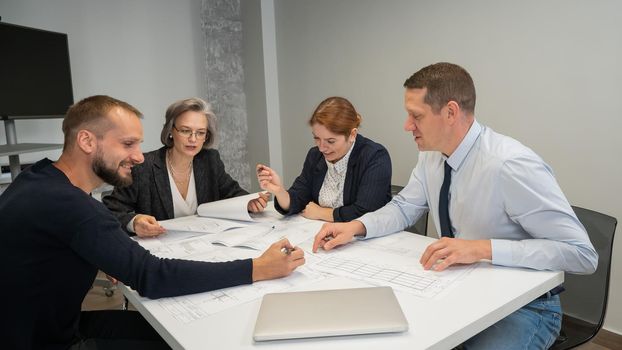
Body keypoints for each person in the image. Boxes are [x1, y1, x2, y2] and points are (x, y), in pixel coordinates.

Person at [312, 63, 598, 349]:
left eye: (416, 116)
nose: (406, 126)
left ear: (450, 112)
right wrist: (357, 227)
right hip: (460, 288)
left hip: (524, 308)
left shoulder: (510, 165)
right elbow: (403, 208)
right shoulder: (431, 157)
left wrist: (480, 248)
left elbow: (582, 254)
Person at [0, 95, 304, 350]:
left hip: (41, 326)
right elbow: (152, 276)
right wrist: (258, 267)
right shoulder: (75, 207)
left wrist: (101, 253)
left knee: (167, 330)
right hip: (47, 342)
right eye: (128, 144)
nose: (139, 157)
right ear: (86, 140)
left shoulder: (37, 178)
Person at [103, 97, 268, 237]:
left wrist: (249, 202)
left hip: (204, 245)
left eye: (200, 132)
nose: (193, 139)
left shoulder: (210, 160)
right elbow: (110, 212)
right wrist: (134, 222)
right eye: (185, 130)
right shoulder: (143, 166)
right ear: (171, 131)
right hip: (160, 251)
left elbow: (233, 194)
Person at [257, 96, 392, 222]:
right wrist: (279, 191)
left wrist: (322, 213)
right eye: (316, 138)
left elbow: (367, 212)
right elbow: (299, 198)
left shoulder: (375, 157)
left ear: (352, 135)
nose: (322, 148)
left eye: (330, 141)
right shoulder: (315, 156)